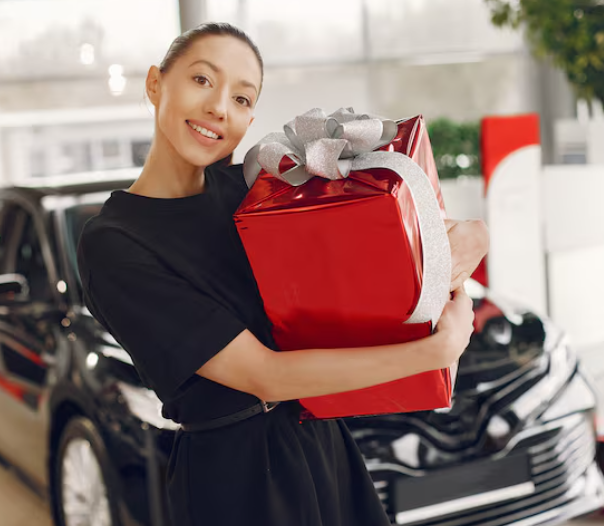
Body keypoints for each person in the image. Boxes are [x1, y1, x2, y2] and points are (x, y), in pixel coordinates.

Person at [77, 22, 486, 526]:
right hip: (237, 479)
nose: (220, 108)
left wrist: (466, 236)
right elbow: (263, 375)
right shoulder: (114, 243)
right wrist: (434, 353)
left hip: (319, 442)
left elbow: (379, 241)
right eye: (203, 80)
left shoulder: (255, 192)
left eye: (243, 98)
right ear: (156, 84)